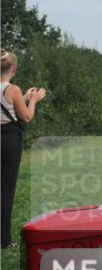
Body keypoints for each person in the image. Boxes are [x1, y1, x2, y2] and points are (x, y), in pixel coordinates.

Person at [1, 49, 47, 250]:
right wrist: (34, 100)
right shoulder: (12, 89)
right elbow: (26, 117)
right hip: (8, 140)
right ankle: (3, 240)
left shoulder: (14, 92)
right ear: (14, 69)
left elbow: (10, 108)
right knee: (6, 189)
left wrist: (25, 96)